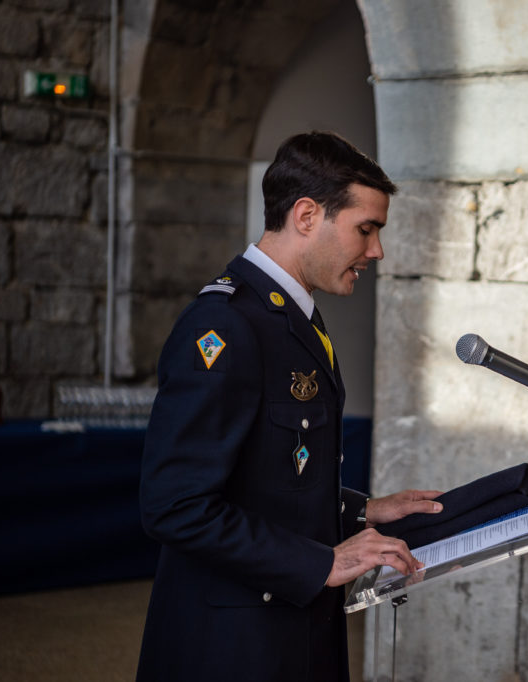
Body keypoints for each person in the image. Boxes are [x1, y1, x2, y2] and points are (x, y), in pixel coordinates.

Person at [136, 132, 443, 682]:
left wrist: (360, 511)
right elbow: (175, 504)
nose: (376, 251)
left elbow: (268, 472)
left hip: (291, 632)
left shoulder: (289, 314)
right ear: (306, 215)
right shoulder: (225, 324)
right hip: (234, 648)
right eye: (366, 229)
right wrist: (322, 562)